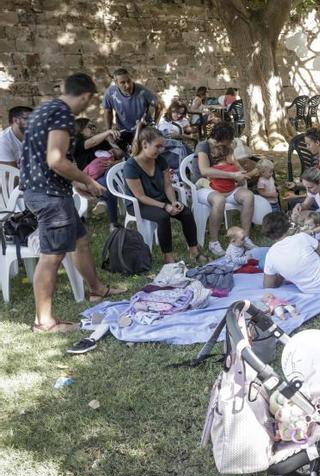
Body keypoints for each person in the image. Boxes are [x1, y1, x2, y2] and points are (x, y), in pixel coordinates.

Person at [20, 73, 125, 333]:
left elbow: (45, 158)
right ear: (85, 96)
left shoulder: (44, 109)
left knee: (80, 240)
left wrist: (74, 182)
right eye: (88, 101)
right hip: (49, 196)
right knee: (52, 257)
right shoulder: (63, 113)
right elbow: (56, 159)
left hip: (46, 190)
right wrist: (87, 181)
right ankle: (44, 322)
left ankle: (97, 289)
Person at [124, 127, 205, 264]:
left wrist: (173, 202)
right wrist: (165, 206)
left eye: (162, 146)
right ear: (144, 144)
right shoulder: (131, 166)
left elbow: (168, 185)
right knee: (163, 216)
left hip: (160, 198)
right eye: (158, 146)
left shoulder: (160, 160)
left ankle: (194, 251)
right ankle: (168, 257)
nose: (161, 150)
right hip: (139, 204)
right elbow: (140, 196)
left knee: (185, 211)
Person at [195, 122, 259, 256]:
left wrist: (245, 173)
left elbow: (237, 167)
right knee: (219, 200)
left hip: (227, 185)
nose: (231, 143)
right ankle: (213, 242)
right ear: (223, 138)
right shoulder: (203, 146)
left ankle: (244, 237)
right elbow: (205, 170)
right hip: (205, 186)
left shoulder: (227, 148)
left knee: (248, 196)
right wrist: (232, 175)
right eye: (229, 139)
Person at [72, 117, 124, 228]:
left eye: (94, 126)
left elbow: (119, 154)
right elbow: (92, 141)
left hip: (108, 175)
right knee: (110, 185)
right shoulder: (77, 143)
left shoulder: (102, 142)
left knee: (110, 178)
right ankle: (113, 223)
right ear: (80, 130)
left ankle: (103, 203)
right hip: (90, 179)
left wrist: (111, 143)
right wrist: (107, 132)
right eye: (90, 127)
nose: (93, 129)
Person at [103, 68, 161, 150]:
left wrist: (155, 124)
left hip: (143, 130)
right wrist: (108, 131)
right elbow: (108, 111)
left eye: (129, 81)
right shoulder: (110, 93)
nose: (127, 85)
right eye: (122, 83)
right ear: (116, 83)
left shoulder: (142, 91)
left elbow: (159, 106)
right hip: (123, 130)